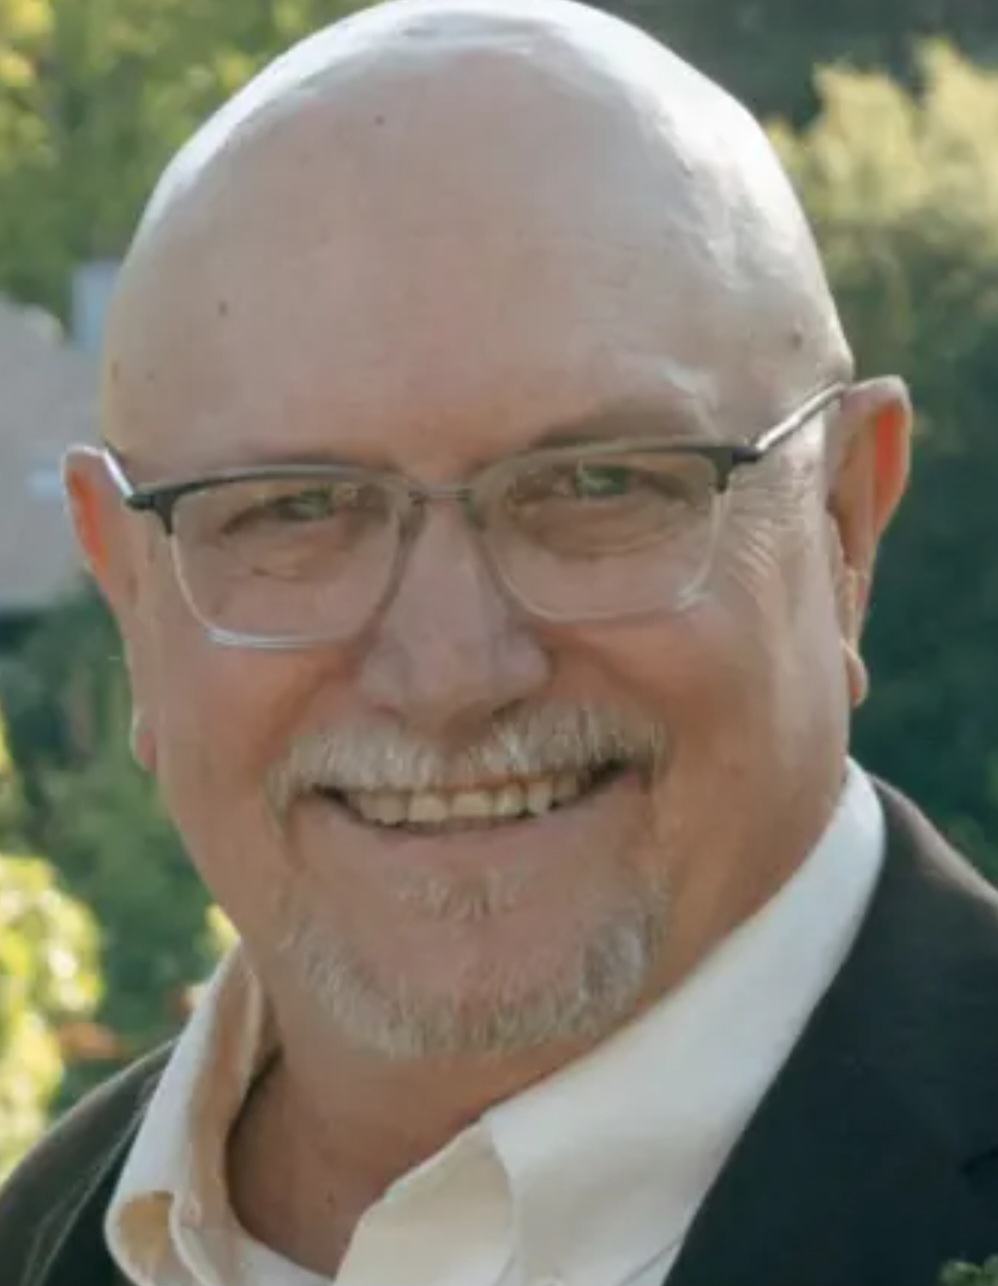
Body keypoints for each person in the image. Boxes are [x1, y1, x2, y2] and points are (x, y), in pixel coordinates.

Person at [4, 1, 998, 1282]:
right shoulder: (43, 1238)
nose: (450, 674)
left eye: (594, 486)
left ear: (842, 521)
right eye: (294, 508)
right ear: (131, 588)